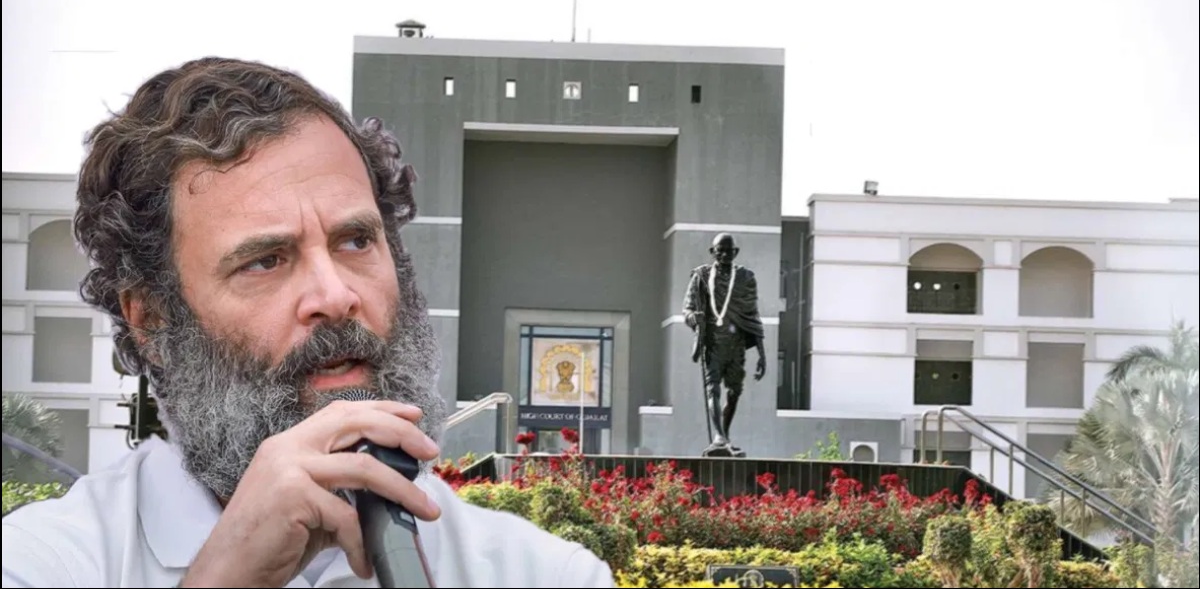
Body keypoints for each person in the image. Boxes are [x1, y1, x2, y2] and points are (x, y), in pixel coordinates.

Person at [0, 57, 616, 589]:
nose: (336, 295)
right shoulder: (42, 564)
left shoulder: (543, 573)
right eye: (265, 260)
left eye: (355, 241)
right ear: (152, 320)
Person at [681, 233, 767, 458]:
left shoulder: (745, 278)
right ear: (713, 252)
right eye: (720, 250)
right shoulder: (701, 276)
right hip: (712, 343)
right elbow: (687, 309)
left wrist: (762, 354)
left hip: (736, 344)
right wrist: (693, 318)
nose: (725, 254)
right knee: (713, 388)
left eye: (729, 251)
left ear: (735, 252)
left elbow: (753, 315)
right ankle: (718, 436)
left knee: (735, 391)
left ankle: (724, 438)